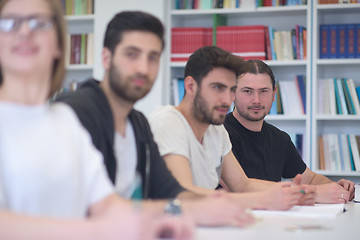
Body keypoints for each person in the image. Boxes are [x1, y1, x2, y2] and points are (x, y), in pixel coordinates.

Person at [0, 0, 194, 239]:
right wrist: (100, 229)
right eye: (9, 23)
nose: (25, 31)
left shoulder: (64, 121)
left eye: (40, 23)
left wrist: (160, 223)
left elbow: (108, 205)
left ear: (59, 44)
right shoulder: (78, 110)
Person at [56, 11, 253, 226]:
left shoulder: (138, 123)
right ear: (106, 58)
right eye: (132, 54)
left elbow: (171, 191)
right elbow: (93, 208)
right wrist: (187, 209)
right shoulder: (74, 114)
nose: (143, 68)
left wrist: (217, 206)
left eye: (152, 57)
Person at [149, 46, 317, 210]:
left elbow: (242, 184)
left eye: (231, 90)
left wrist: (293, 192)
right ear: (191, 86)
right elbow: (183, 193)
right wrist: (263, 199)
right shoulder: (168, 121)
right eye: (217, 88)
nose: (226, 99)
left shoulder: (216, 130)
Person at [223, 59, 355, 204]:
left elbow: (310, 178)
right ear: (232, 93)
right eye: (247, 91)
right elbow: (240, 187)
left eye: (263, 91)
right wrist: (310, 193)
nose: (256, 100)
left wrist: (335, 188)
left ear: (274, 94)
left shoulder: (280, 139)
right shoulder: (219, 134)